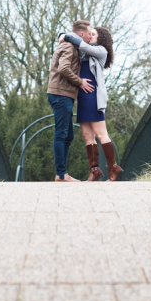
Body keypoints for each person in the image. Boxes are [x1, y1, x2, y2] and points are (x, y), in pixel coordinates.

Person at [60, 25, 123, 181]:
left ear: (100, 38)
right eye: (88, 33)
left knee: (101, 134)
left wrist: (65, 36)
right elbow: (78, 43)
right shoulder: (84, 54)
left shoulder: (101, 51)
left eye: (92, 34)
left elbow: (80, 43)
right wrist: (63, 34)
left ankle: (113, 168)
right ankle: (94, 171)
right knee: (87, 135)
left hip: (93, 97)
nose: (89, 35)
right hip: (82, 97)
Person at [47, 20, 95, 182]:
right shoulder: (69, 46)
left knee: (68, 135)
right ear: (81, 34)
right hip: (61, 94)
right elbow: (64, 68)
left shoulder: (70, 45)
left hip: (63, 94)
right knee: (61, 133)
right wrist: (80, 81)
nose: (90, 37)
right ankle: (61, 174)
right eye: (89, 34)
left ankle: (61, 173)